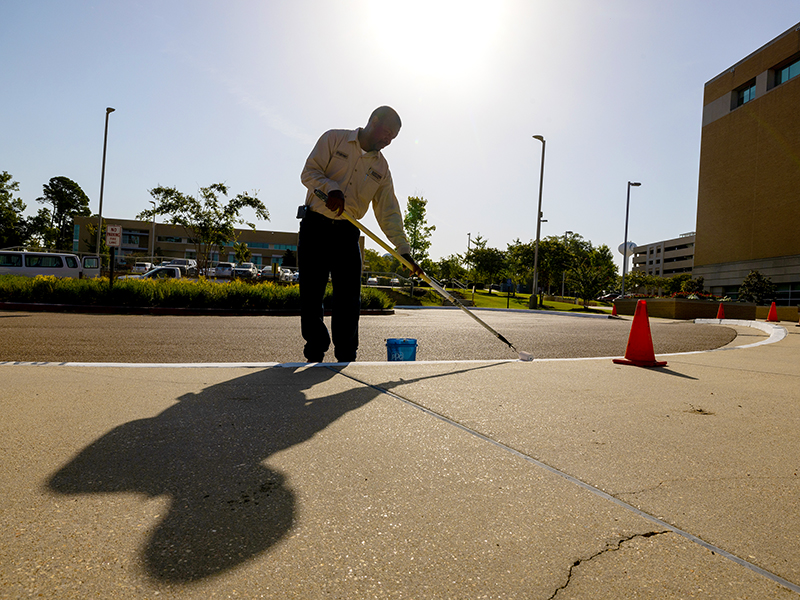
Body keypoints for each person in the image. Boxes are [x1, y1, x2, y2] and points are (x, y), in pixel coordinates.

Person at [298, 106, 422, 363]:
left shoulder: (382, 168)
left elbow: (388, 212)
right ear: (373, 121)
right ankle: (315, 349)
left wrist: (404, 251)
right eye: (386, 132)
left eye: (393, 138)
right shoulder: (334, 139)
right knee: (311, 293)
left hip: (347, 233)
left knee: (349, 298)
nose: (388, 140)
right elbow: (308, 172)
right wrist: (330, 189)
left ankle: (346, 355)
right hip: (315, 226)